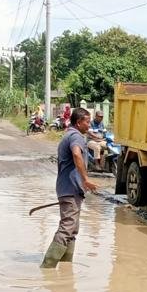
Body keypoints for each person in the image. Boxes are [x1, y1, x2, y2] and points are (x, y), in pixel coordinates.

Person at [42, 107, 99, 268]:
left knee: (73, 229)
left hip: (70, 189)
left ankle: (66, 267)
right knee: (67, 228)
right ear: (79, 122)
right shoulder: (75, 137)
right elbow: (76, 154)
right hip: (70, 189)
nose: (89, 125)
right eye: (87, 122)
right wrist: (86, 179)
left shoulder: (69, 135)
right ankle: (47, 267)